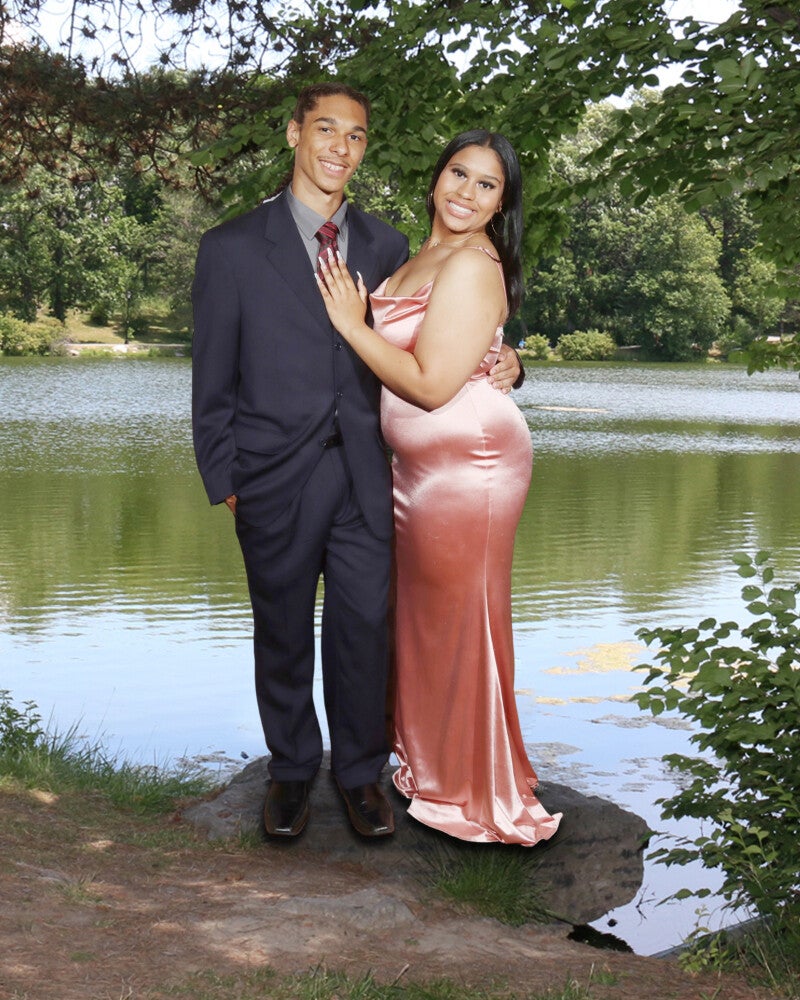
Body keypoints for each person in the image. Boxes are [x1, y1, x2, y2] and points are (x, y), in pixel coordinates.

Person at [191, 85, 522, 840]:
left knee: (365, 629)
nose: (340, 147)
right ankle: (290, 771)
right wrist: (228, 480)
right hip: (273, 477)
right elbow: (210, 384)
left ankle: (360, 774)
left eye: (357, 136)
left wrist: (512, 363)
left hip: (373, 475)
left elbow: (442, 334)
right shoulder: (232, 248)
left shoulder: (386, 246)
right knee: (281, 630)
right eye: (326, 130)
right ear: (295, 135)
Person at [317, 129, 562, 845]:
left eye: (487, 185)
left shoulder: (475, 262)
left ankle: (475, 788)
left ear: (500, 205)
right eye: (459, 173)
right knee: (426, 622)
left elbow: (429, 385)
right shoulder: (416, 253)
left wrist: (351, 323)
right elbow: (458, 342)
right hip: (418, 470)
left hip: (470, 465)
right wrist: (507, 355)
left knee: (464, 621)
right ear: (436, 179)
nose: (467, 192)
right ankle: (431, 767)